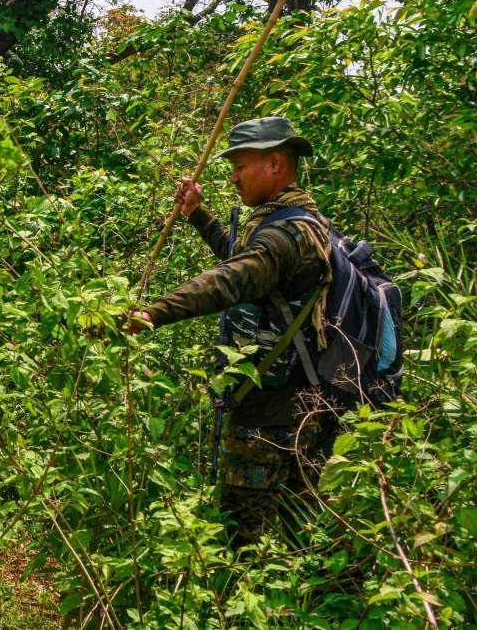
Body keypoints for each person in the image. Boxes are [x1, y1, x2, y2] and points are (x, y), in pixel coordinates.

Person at [127, 116, 339, 545]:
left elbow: (233, 279)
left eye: (241, 165)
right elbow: (242, 259)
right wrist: (197, 214)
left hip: (272, 415)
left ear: (275, 163)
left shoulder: (286, 235)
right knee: (303, 527)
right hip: (306, 401)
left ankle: (242, 606)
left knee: (243, 533)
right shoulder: (296, 222)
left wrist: (151, 315)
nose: (233, 176)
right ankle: (305, 603)